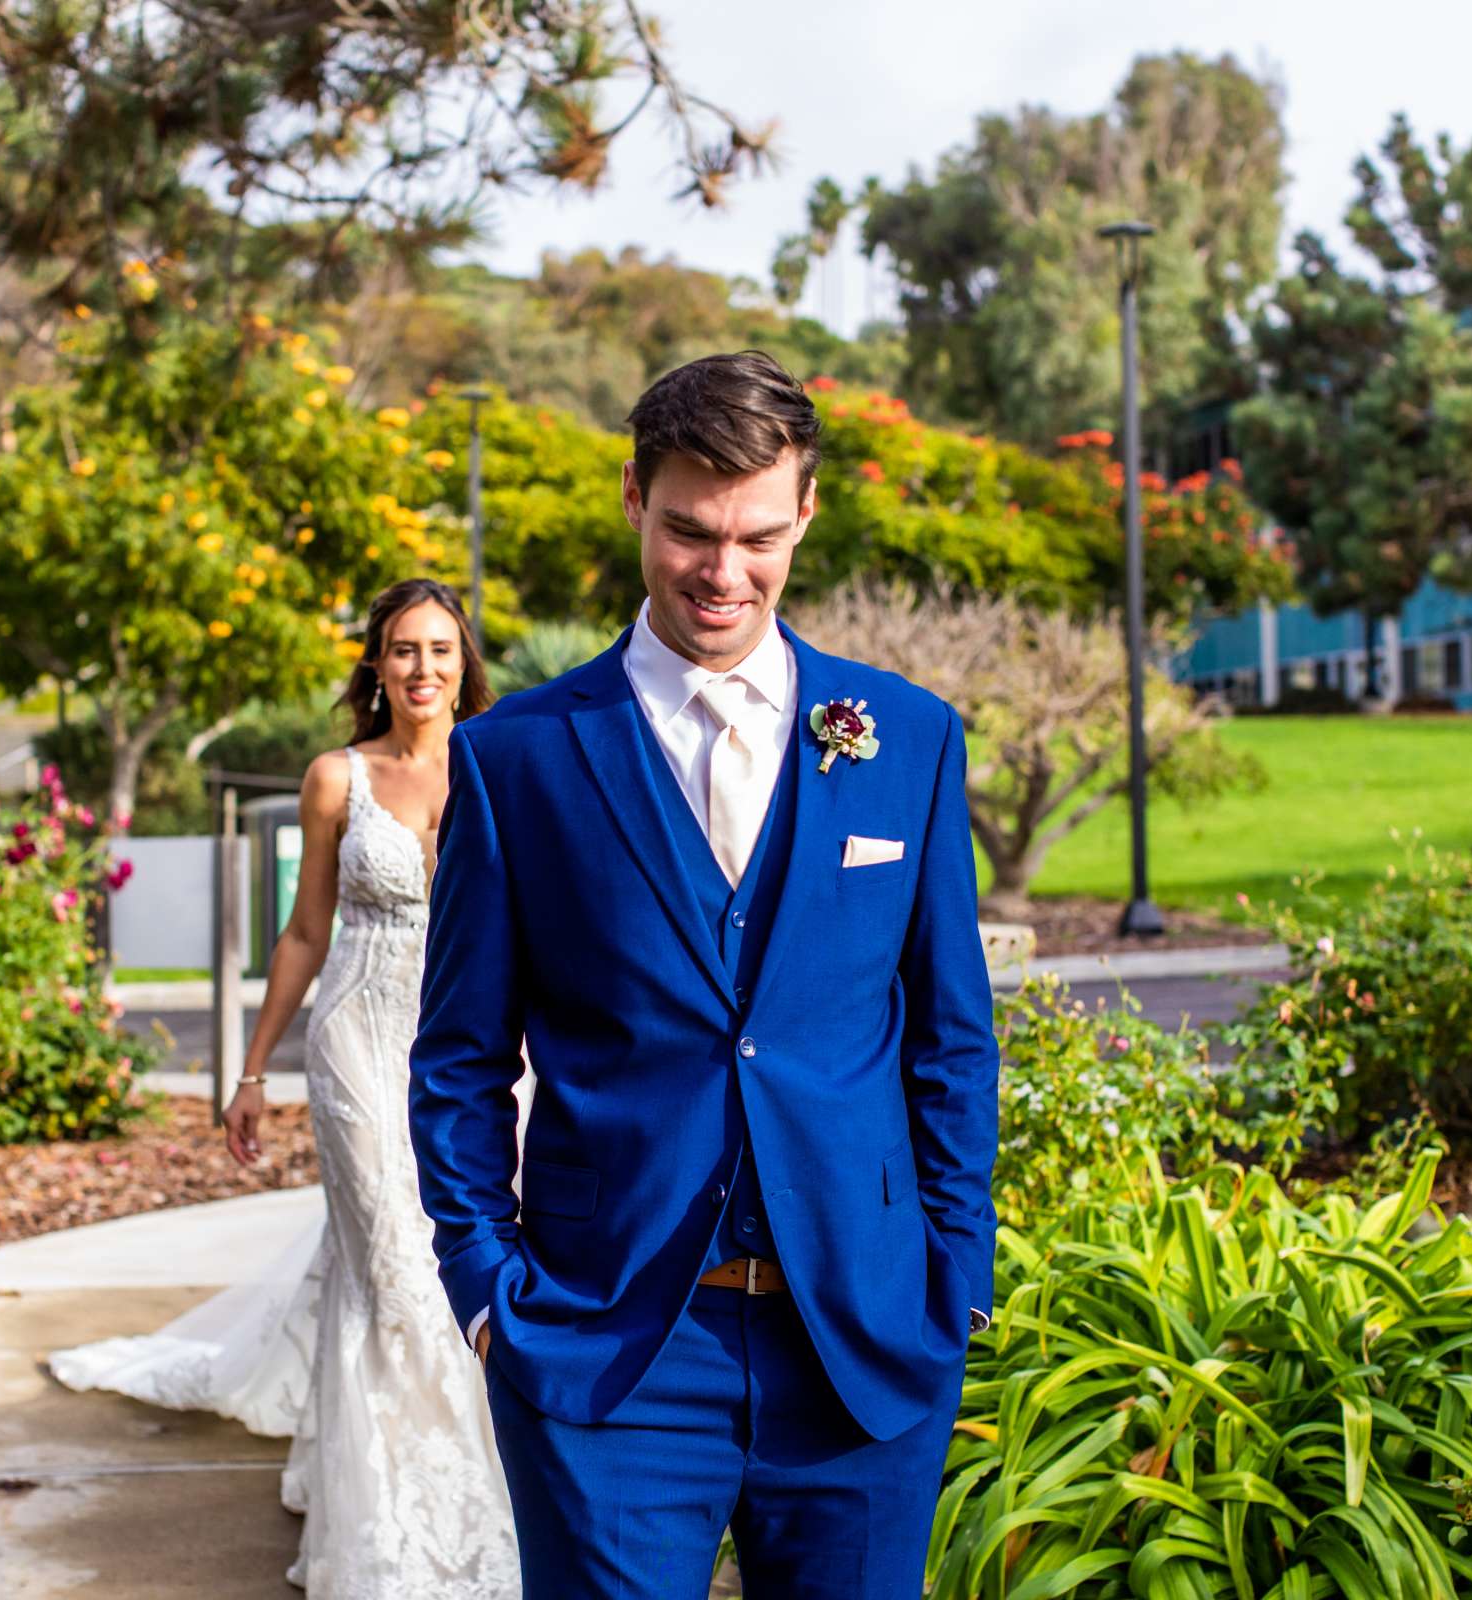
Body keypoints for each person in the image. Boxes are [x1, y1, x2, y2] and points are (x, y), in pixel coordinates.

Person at [409, 351, 999, 1598]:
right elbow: (460, 1055)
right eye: (688, 531)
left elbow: (949, 1040)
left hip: (865, 1340)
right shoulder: (516, 759)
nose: (722, 574)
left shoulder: (909, 741)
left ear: (806, 513)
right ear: (634, 496)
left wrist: (958, 1280)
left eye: (756, 537)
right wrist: (485, 1289)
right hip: (605, 1348)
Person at [53, 577, 521, 1597]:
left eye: (442, 649)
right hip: (358, 1036)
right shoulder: (334, 778)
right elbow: (307, 930)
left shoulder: (507, 762)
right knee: (396, 1257)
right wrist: (254, 1070)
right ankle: (392, 1511)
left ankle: (495, 1469)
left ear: (465, 663)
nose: (423, 669)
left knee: (469, 1251)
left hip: (473, 1044)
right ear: (377, 663)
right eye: (403, 649)